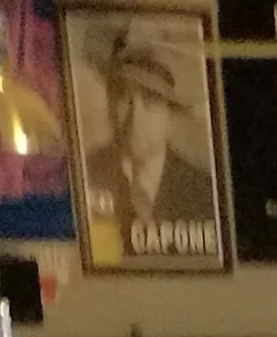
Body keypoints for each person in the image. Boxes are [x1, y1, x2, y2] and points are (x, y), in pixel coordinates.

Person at [93, 22, 219, 260]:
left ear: (170, 115)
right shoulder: (87, 173)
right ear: (110, 104)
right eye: (124, 98)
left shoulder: (203, 192)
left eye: (151, 101)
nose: (135, 116)